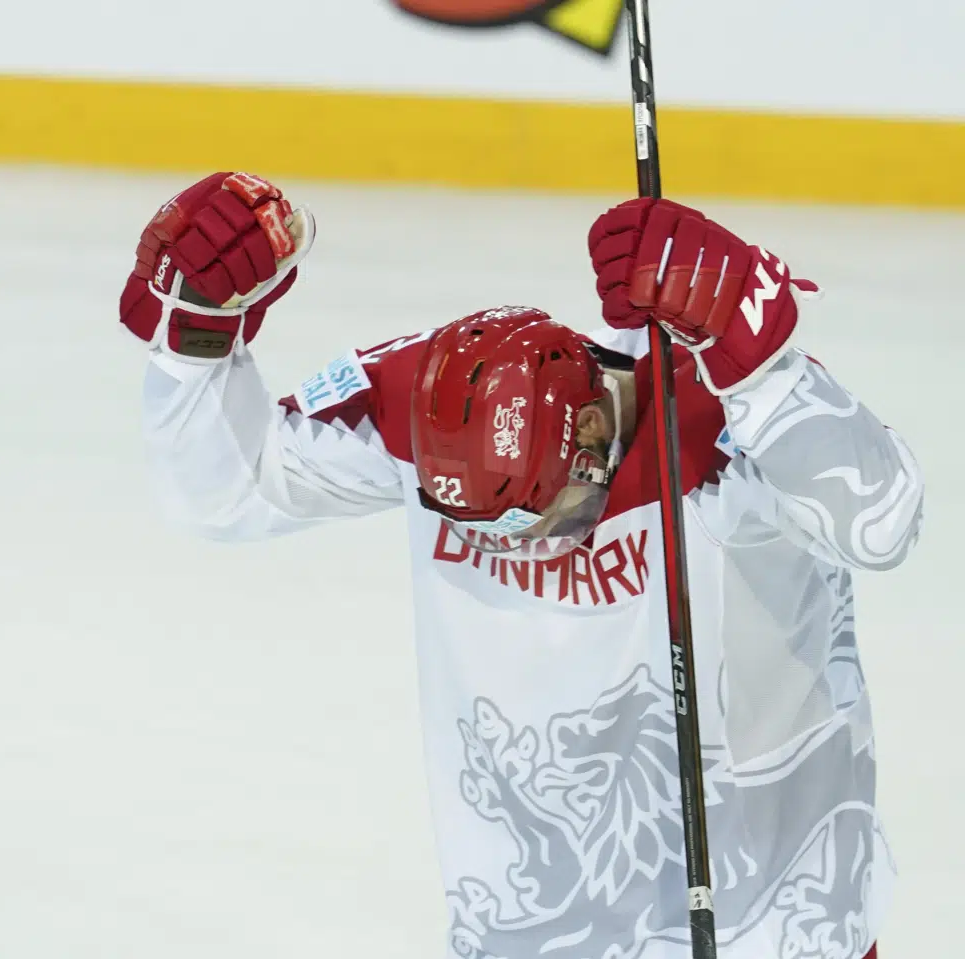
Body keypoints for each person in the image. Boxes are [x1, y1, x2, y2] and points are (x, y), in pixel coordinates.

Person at [117, 171, 922, 959]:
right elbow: (225, 489)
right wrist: (194, 335)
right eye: (478, 525)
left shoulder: (715, 425)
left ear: (597, 428)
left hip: (780, 930)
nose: (521, 546)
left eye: (549, 513)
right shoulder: (410, 400)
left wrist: (766, 370)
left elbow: (883, 522)